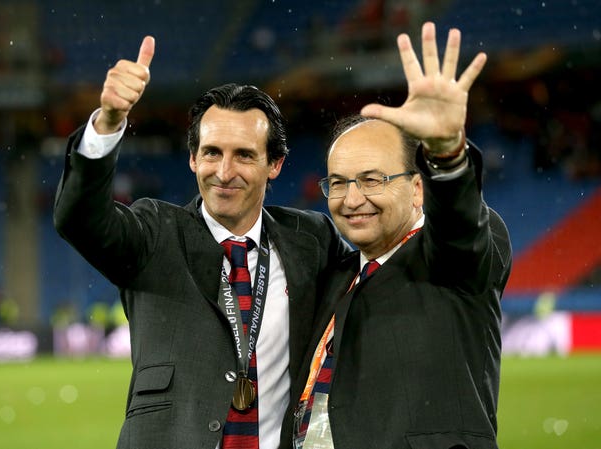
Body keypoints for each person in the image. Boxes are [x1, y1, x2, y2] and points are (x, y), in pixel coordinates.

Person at [53, 36, 351, 449]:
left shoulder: (312, 240)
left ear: (275, 165)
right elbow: (79, 220)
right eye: (211, 153)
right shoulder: (155, 232)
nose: (224, 172)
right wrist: (107, 124)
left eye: (244, 155)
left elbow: (379, 276)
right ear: (192, 158)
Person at [287, 22, 513, 449]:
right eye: (338, 182)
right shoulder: (337, 275)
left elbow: (461, 227)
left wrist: (447, 153)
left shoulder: (450, 259)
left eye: (372, 180)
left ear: (417, 188)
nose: (352, 198)